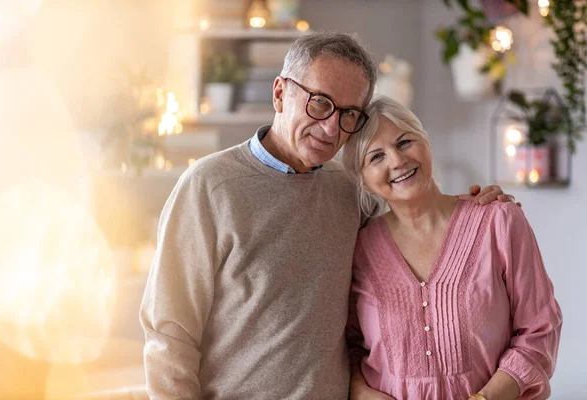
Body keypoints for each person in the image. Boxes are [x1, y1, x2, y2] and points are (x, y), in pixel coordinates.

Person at [139, 32, 514, 399]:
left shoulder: (351, 188)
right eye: (320, 103)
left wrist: (469, 209)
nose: (332, 127)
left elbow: (414, 225)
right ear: (280, 93)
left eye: (349, 113)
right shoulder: (209, 186)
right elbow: (169, 334)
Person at [342, 97, 563, 400]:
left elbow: (540, 330)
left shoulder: (498, 222)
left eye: (405, 142)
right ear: (364, 180)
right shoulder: (358, 249)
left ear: (427, 145)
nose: (397, 161)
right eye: (376, 157)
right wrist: (362, 393)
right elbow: (349, 346)